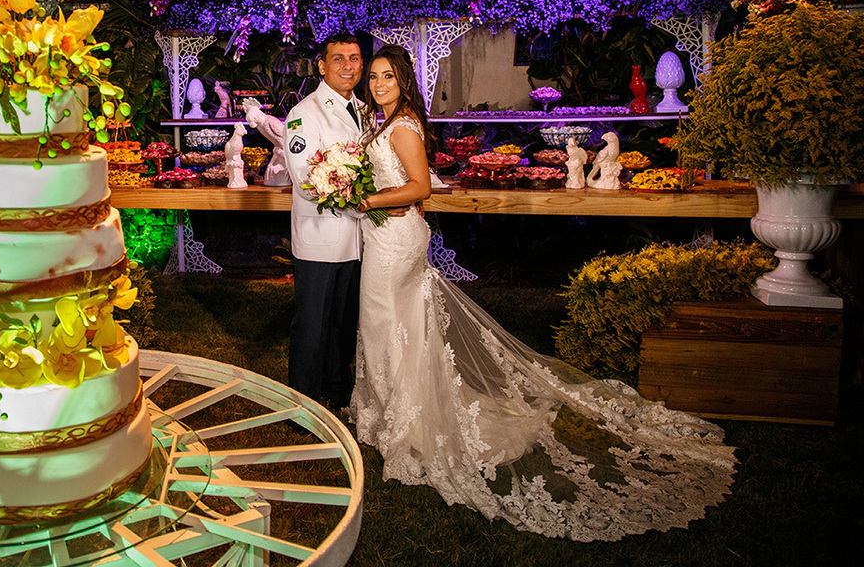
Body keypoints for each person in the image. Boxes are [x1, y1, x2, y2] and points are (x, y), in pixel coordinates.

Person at [351, 44, 736, 542]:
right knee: (394, 323)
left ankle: (405, 418)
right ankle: (393, 409)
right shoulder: (380, 122)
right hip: (384, 233)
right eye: (375, 77)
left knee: (388, 320)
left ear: (405, 81)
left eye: (388, 76)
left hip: (394, 239)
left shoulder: (401, 125)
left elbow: (422, 187)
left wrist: (366, 198)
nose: (379, 84)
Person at [282, 33, 367, 411]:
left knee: (344, 323)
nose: (348, 66)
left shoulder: (365, 110)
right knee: (313, 324)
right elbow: (306, 178)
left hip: (357, 237)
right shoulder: (304, 113)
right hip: (320, 233)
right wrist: (366, 198)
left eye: (354, 58)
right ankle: (303, 401)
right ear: (322, 66)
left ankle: (337, 389)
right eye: (338, 59)